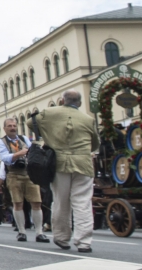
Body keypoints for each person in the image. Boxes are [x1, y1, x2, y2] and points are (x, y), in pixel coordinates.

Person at [33, 90, 99, 253]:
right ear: (80, 103)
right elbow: (95, 144)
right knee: (83, 202)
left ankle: (61, 237)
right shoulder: (88, 119)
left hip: (59, 163)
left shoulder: (49, 113)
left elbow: (30, 123)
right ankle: (84, 242)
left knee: (61, 201)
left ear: (62, 101)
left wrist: (49, 135)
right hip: (83, 163)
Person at [0, 116, 49, 243]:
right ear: (4, 128)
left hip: (29, 174)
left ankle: (39, 232)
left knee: (36, 202)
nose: (13, 128)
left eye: (14, 126)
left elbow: (31, 153)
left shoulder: (24, 138)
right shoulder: (1, 142)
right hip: (13, 174)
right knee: (17, 203)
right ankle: (21, 232)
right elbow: (4, 158)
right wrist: (19, 154)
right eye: (10, 126)